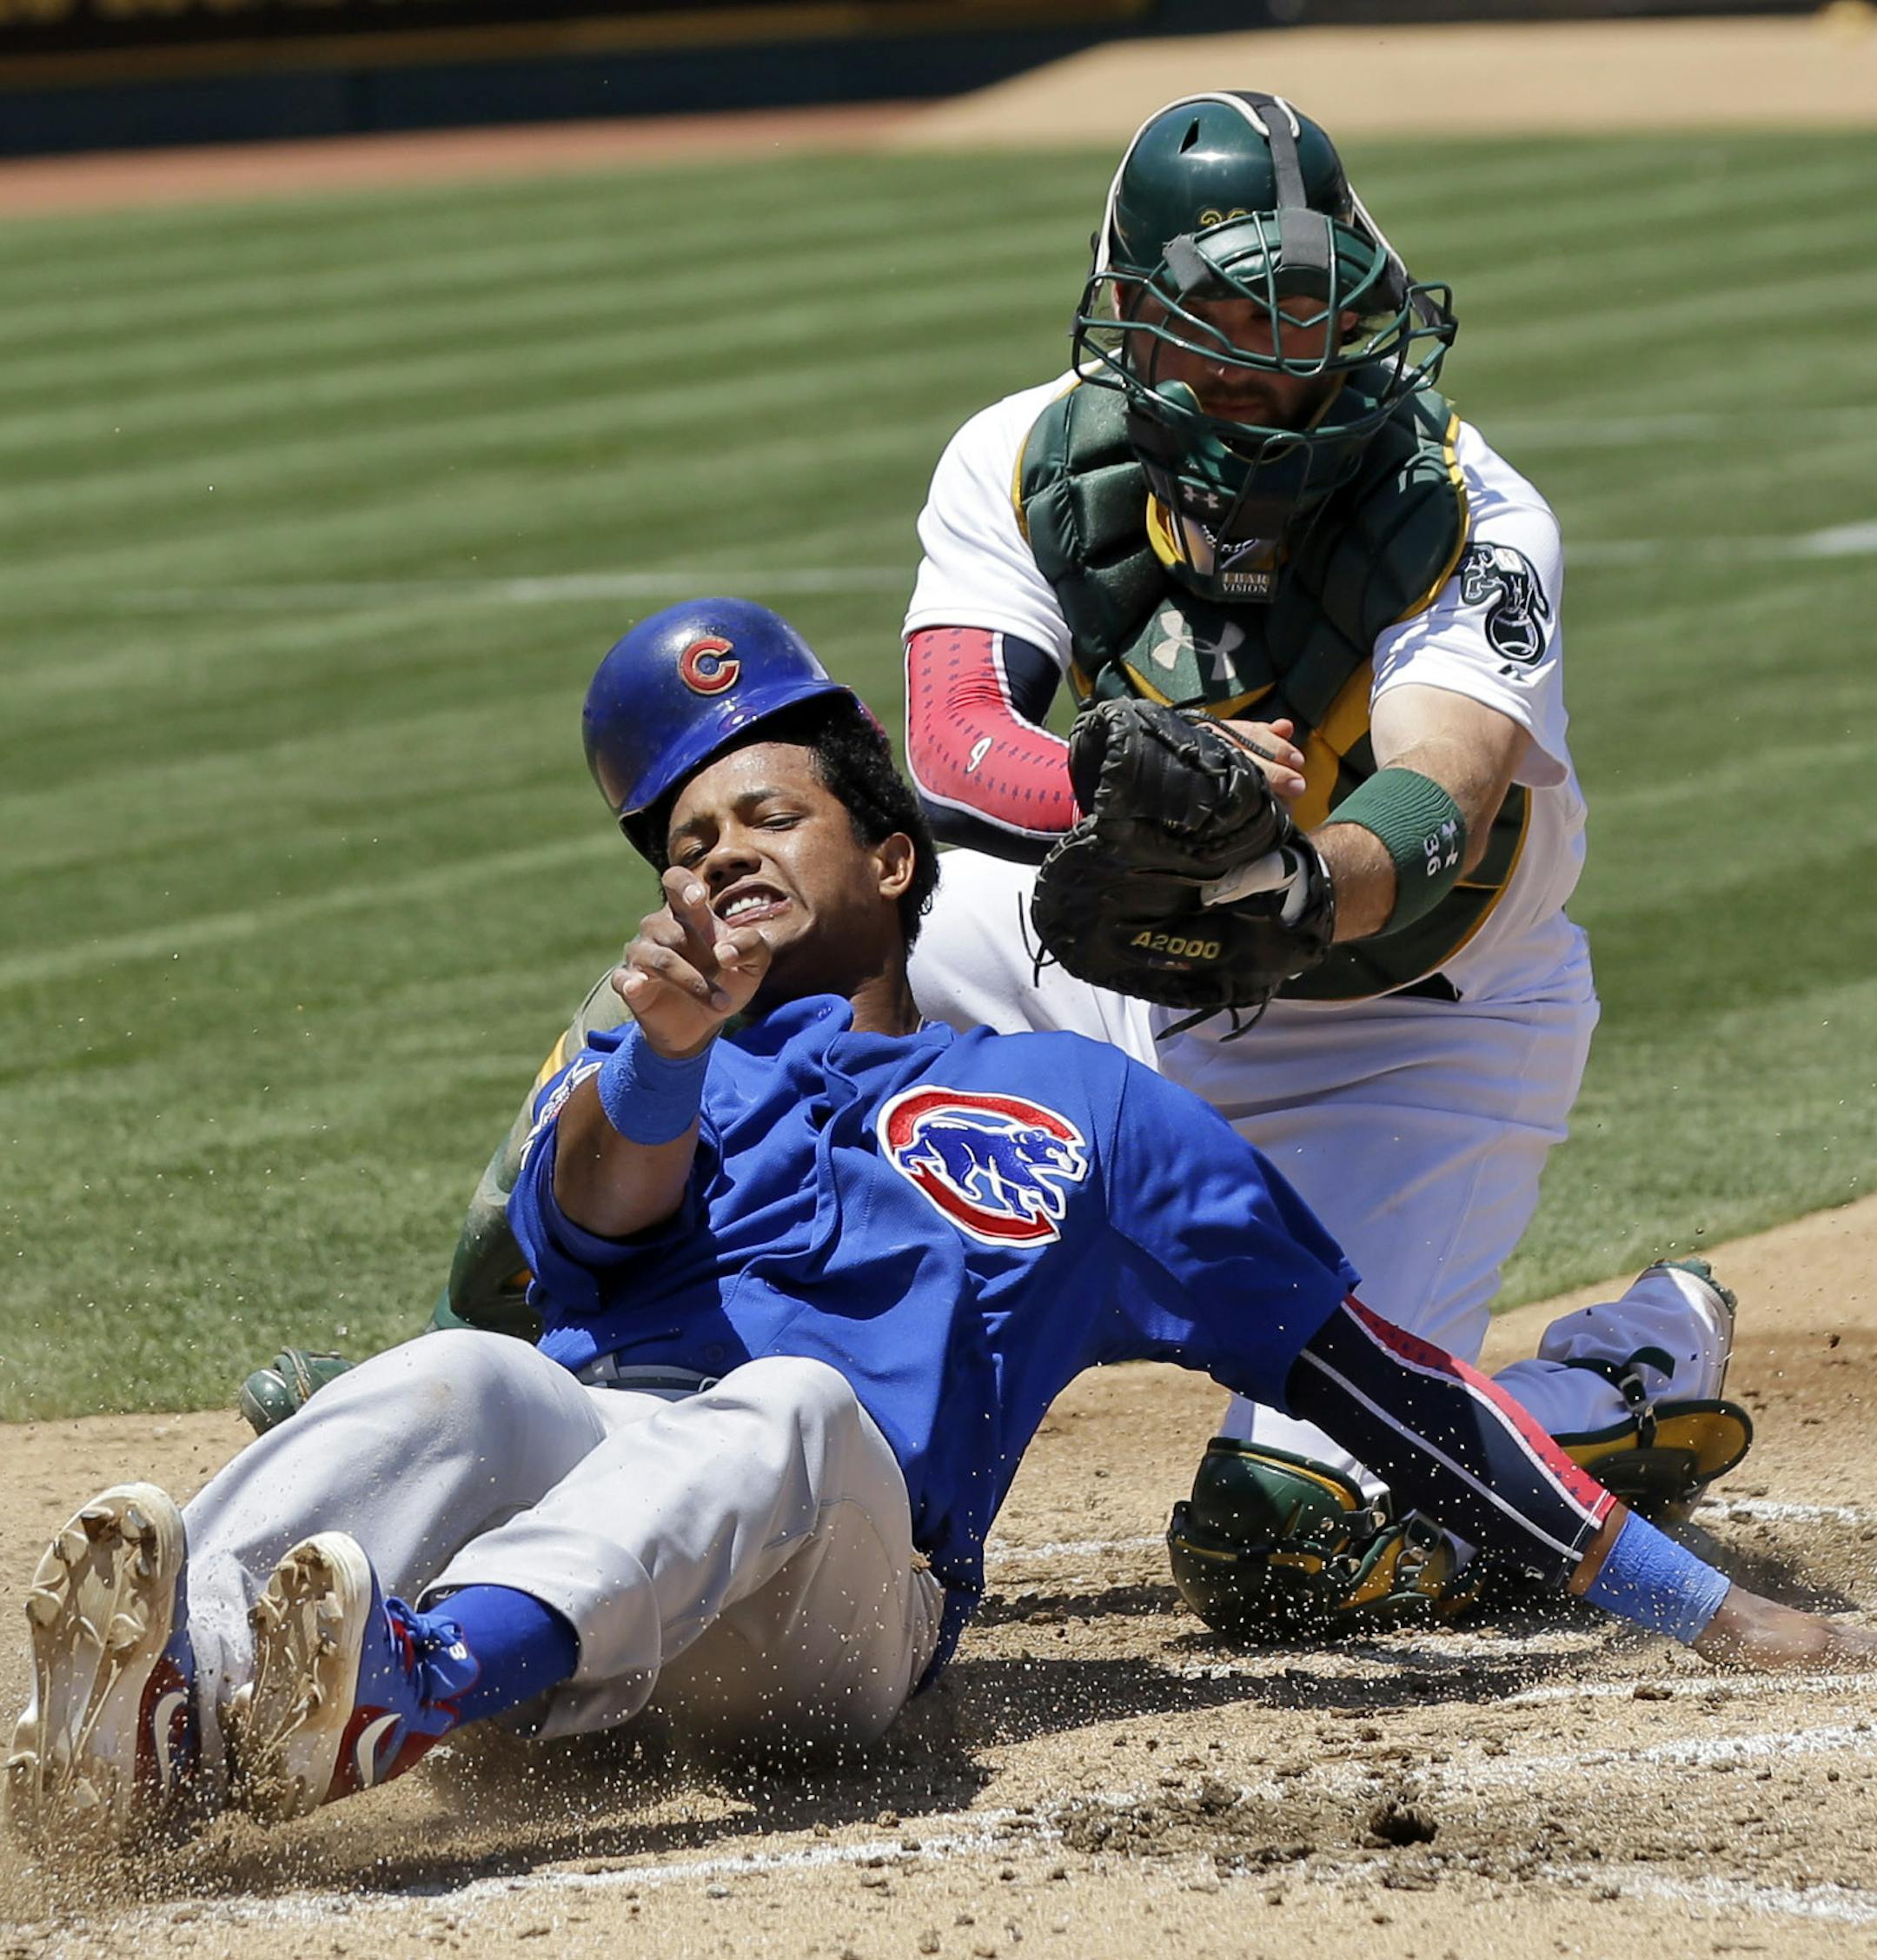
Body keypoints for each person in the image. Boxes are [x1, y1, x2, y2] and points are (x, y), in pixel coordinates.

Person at [11, 608, 1867, 1859]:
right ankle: (142, 1719)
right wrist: (657, 1057)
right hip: (612, 1532)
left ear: (891, 859)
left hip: (834, 1623)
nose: (716, 855)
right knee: (465, 1378)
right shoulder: (659, 1057)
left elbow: (1379, 1382)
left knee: (795, 1408)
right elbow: (577, 1227)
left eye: (768, 818)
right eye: (683, 840)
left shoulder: (1093, 1119)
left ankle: (410, 1679)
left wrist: (1699, 1609)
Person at [895, 90, 1751, 1624]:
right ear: (1138, 322)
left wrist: (1288, 879)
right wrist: (1125, 780)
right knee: (793, 937)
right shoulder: (1021, 461)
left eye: (1313, 310)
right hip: (1118, 969)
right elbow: (954, 737)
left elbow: (1447, 785)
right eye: (1232, 314)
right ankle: (516, 1324)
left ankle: (1617, 1384)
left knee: (1283, 1548)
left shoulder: (1472, 513)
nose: (1282, 362)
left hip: (1407, 1039)